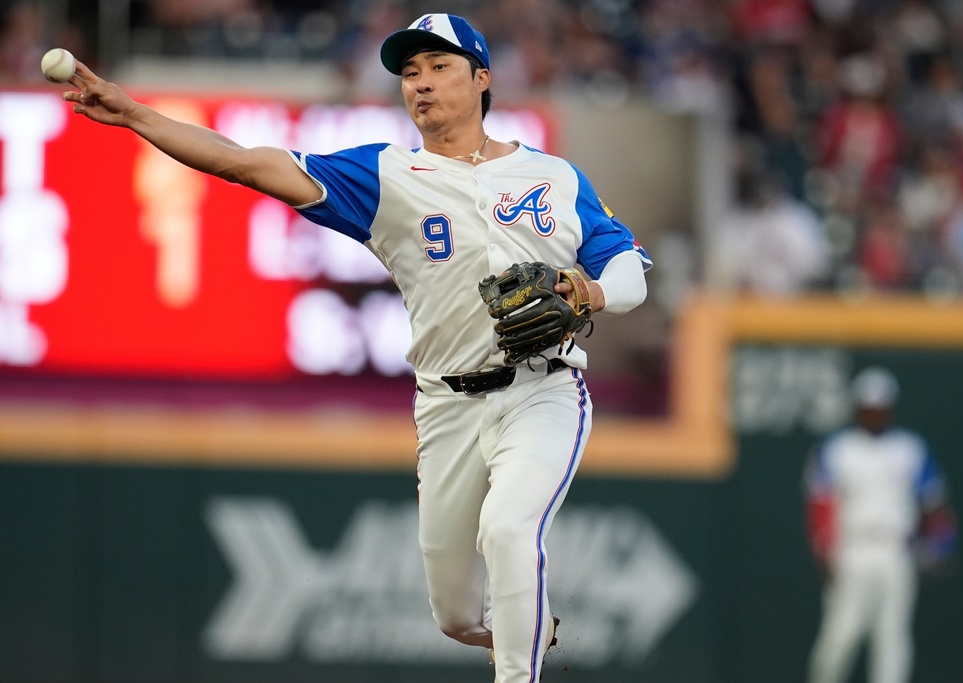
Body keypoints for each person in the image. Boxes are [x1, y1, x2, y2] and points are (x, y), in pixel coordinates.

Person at [57, 12, 652, 683]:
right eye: (409, 72)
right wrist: (136, 114)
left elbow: (627, 268)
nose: (421, 83)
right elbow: (243, 163)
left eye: (440, 66)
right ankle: (524, 626)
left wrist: (590, 295)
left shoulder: (555, 176)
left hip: (544, 391)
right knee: (455, 615)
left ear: (482, 78)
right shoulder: (385, 175)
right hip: (447, 405)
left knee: (511, 529)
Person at [803, 366, 957, 683]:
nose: (874, 415)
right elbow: (819, 505)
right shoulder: (838, 449)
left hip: (895, 549)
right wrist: (824, 554)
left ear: (890, 409)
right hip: (853, 548)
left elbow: (933, 503)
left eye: (880, 409)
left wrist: (941, 544)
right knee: (841, 633)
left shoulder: (909, 448)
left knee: (893, 637)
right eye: (868, 408)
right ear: (857, 409)